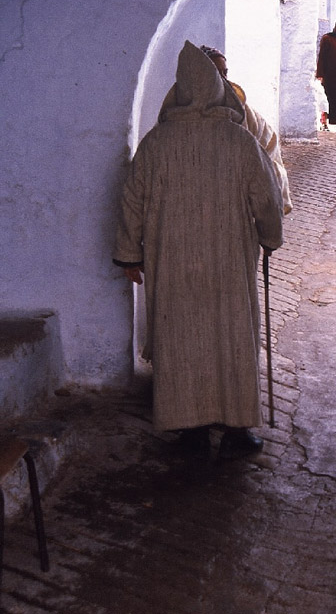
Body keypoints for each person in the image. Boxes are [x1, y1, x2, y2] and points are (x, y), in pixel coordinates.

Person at [112, 41, 284, 459]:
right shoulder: (239, 141)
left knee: (181, 337)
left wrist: (129, 254)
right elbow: (268, 197)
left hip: (172, 263)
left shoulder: (156, 144)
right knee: (231, 337)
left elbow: (131, 200)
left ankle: (189, 429)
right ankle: (235, 429)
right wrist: (270, 237)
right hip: (229, 264)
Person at [201, 46, 293, 214]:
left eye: (224, 73)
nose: (222, 80)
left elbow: (270, 158)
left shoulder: (249, 117)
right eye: (214, 73)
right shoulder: (178, 119)